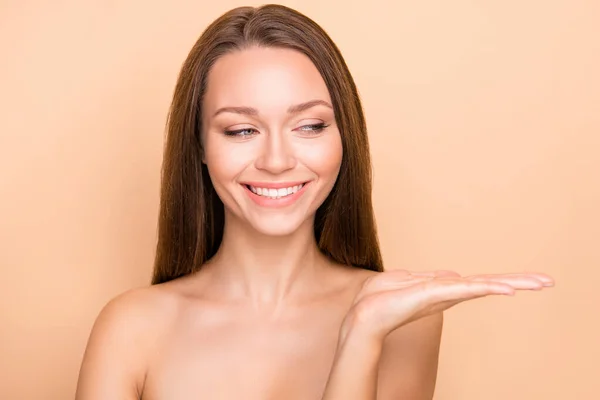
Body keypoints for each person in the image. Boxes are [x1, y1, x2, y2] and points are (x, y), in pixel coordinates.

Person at [75, 4, 554, 400]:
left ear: (345, 137)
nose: (278, 160)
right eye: (242, 130)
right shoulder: (131, 329)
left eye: (310, 126)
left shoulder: (404, 323)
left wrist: (362, 336)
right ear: (199, 146)